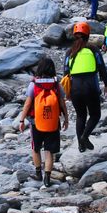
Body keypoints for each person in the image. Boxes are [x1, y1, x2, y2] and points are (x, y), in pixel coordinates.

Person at [18, 57, 69, 187]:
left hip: (36, 122)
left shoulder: (34, 84)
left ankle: (38, 174)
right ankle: (47, 179)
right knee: (49, 151)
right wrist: (66, 119)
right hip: (52, 122)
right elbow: (62, 103)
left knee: (36, 148)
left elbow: (28, 103)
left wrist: (21, 120)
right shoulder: (56, 84)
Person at [64, 21, 107, 152]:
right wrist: (106, 85)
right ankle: (85, 136)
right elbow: (101, 68)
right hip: (90, 86)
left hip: (75, 88)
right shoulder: (93, 50)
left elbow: (66, 72)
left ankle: (81, 145)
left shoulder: (69, 52)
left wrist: (68, 92)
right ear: (88, 35)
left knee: (80, 116)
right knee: (95, 115)